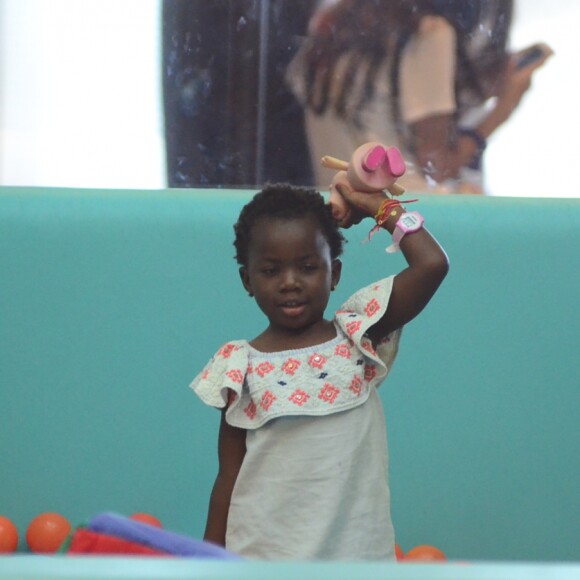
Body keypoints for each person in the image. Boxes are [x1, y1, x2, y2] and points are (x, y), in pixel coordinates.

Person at [190, 181, 449, 560]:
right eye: (270, 270)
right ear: (248, 280)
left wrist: (381, 208)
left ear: (335, 273)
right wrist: (207, 563)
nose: (290, 282)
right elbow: (228, 477)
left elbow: (432, 264)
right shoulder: (239, 366)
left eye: (308, 267)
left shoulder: (357, 334)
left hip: (356, 560)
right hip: (264, 563)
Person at [286, 0, 553, 194]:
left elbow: (374, 112)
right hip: (410, 218)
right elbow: (437, 166)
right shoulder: (431, 34)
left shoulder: (336, 22)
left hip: (344, 211)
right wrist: (502, 109)